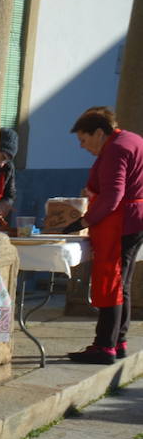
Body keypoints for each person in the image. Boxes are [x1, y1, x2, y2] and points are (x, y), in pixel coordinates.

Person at [64, 106, 143, 364]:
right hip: (134, 219)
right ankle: (118, 341)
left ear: (99, 133)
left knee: (111, 282)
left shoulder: (116, 149)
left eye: (83, 140)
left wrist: (84, 221)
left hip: (121, 223)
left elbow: (113, 195)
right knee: (122, 283)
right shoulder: (132, 139)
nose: (82, 146)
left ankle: (104, 346)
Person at [0, 127, 18, 230]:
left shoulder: (8, 168)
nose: (2, 164)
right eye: (2, 157)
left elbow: (10, 195)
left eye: (7, 160)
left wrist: (6, 204)